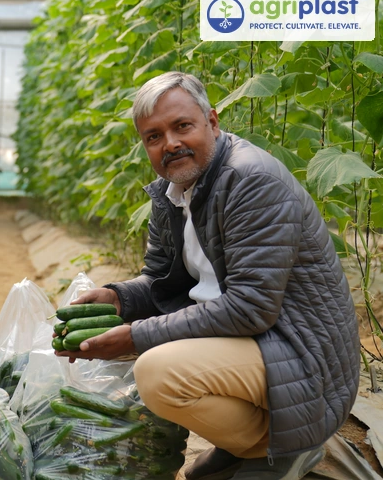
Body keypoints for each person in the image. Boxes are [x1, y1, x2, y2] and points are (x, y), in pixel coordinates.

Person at [57, 72, 360, 480]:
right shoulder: (172, 193)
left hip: (300, 354)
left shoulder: (251, 181)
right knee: (153, 354)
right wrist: (119, 298)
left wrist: (134, 336)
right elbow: (162, 280)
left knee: (156, 370)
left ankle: (280, 447)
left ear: (212, 123)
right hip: (254, 343)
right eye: (153, 136)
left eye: (182, 126)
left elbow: (250, 308)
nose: (170, 144)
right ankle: (244, 444)